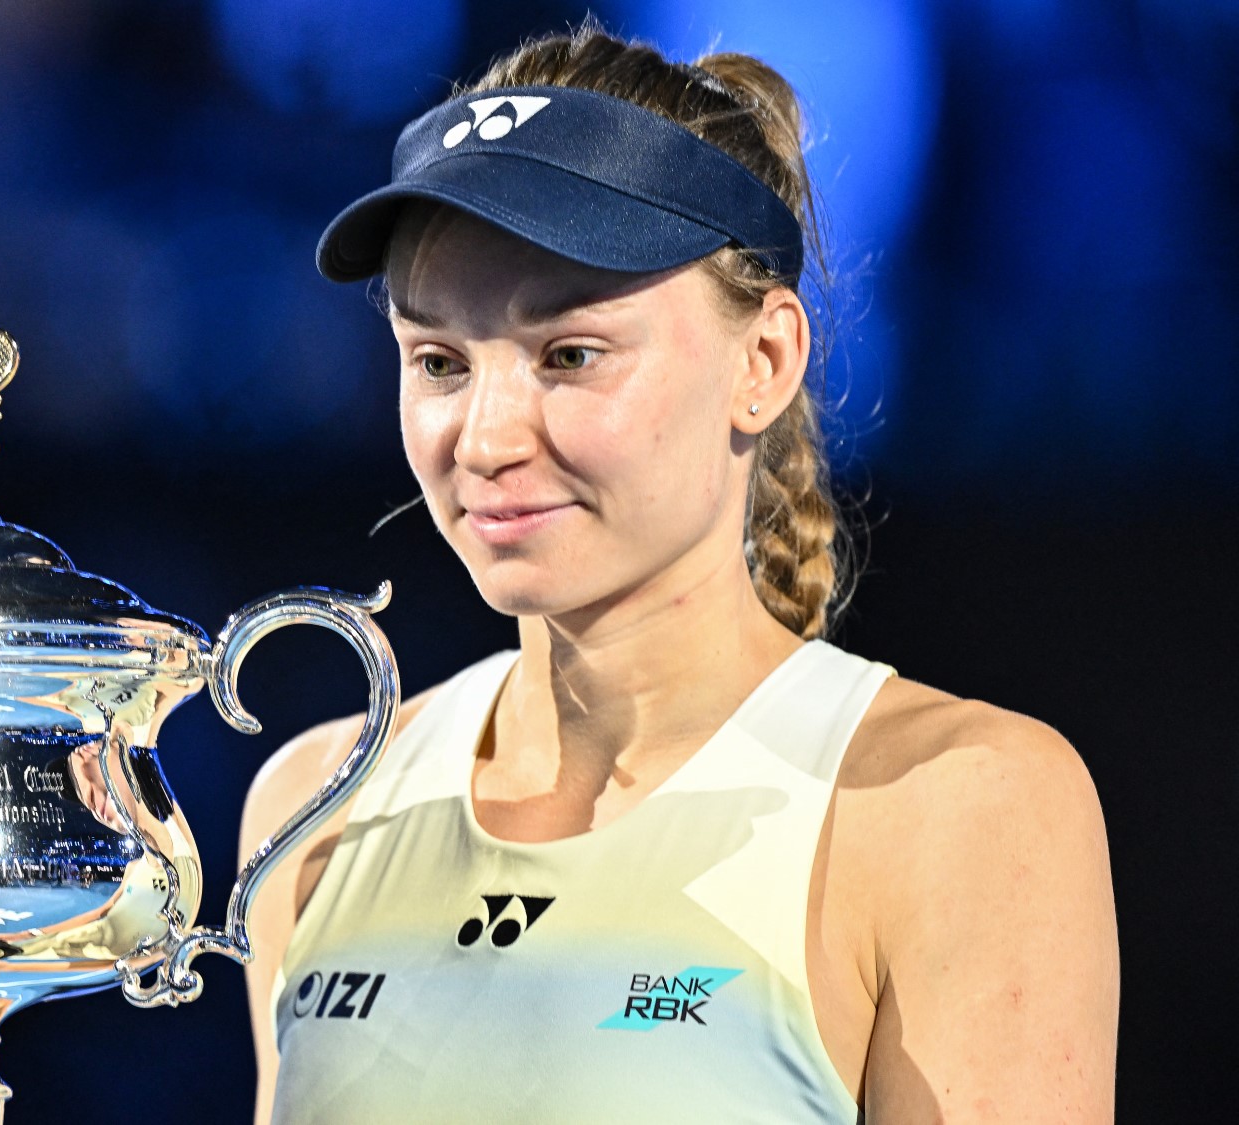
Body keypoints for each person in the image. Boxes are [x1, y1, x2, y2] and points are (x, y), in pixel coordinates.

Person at [241, 24, 1117, 1124]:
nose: (485, 438)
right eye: (439, 362)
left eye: (569, 353)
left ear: (764, 361)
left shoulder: (961, 807)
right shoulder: (314, 807)